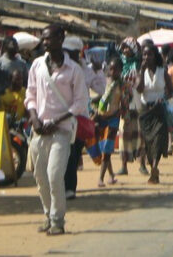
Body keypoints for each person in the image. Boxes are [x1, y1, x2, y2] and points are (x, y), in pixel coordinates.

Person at [25, 25, 89, 235]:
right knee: (40, 177)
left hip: (62, 131)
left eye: (49, 38)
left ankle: (57, 220)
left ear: (60, 39)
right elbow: (30, 95)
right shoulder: (37, 66)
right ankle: (47, 214)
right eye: (43, 39)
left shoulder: (74, 70)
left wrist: (57, 120)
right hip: (39, 130)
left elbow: (80, 103)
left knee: (54, 175)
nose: (45, 43)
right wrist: (34, 118)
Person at [136, 44, 173, 184]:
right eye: (144, 55)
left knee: (158, 140)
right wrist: (141, 70)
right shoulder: (141, 72)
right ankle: (147, 164)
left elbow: (171, 91)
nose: (147, 57)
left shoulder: (162, 71)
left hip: (159, 110)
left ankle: (154, 168)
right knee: (147, 141)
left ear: (155, 56)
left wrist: (163, 98)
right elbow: (140, 89)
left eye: (150, 54)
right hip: (146, 110)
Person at [86, 57, 123, 187]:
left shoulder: (121, 85)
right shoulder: (104, 82)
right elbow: (97, 98)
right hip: (101, 118)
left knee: (107, 149)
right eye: (111, 69)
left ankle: (100, 178)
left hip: (113, 119)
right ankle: (111, 175)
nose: (112, 71)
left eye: (115, 69)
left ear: (120, 71)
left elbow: (123, 102)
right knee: (104, 148)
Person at [62, 36, 88, 200]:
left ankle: (70, 187)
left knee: (73, 154)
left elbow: (100, 87)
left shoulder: (85, 70)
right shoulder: (58, 68)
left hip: (79, 119)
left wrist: (99, 72)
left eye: (70, 53)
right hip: (60, 117)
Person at [117, 38, 148, 177]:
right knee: (124, 136)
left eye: (128, 48)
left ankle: (142, 165)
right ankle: (124, 166)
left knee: (140, 136)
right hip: (124, 106)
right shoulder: (120, 64)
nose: (125, 51)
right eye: (123, 48)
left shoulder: (140, 65)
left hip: (138, 104)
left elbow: (141, 85)